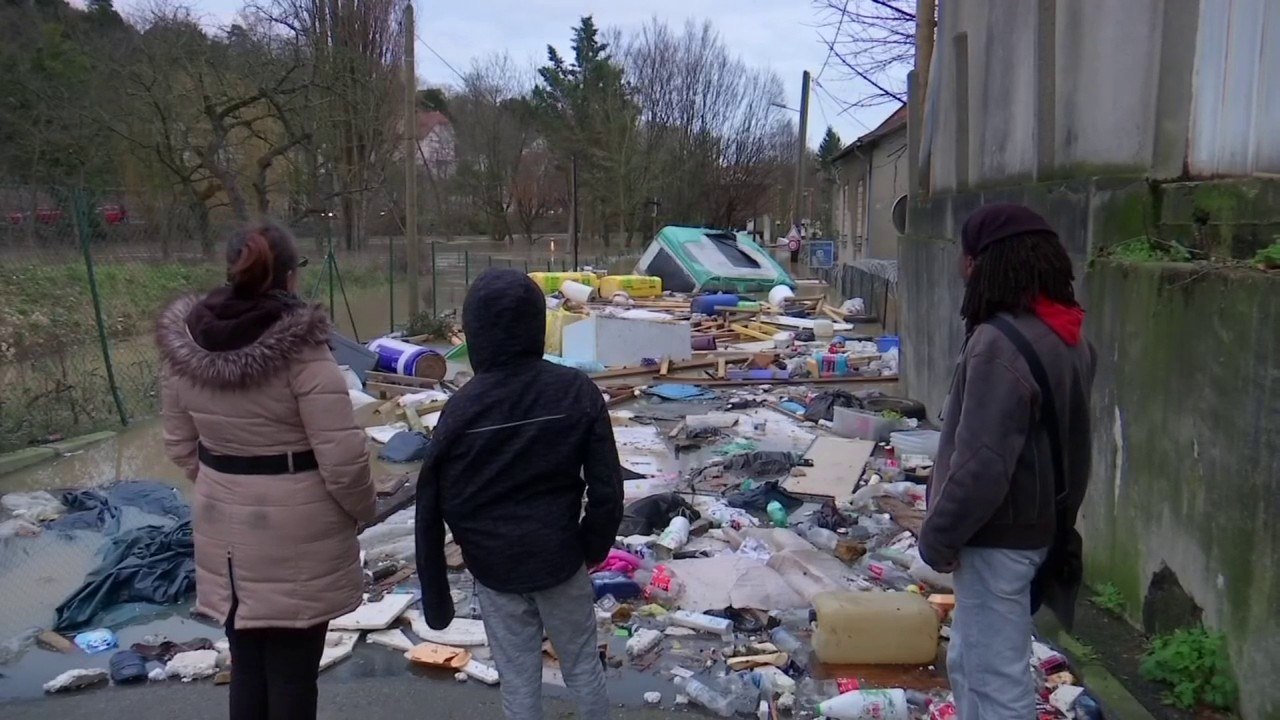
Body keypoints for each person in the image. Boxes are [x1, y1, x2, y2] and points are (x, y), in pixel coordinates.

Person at [157, 221, 375, 720]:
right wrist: (361, 510)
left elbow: (179, 445)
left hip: (224, 535)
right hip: (299, 535)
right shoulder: (303, 348)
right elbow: (343, 460)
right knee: (293, 674)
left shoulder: (185, 345)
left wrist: (225, 483)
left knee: (248, 664)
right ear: (289, 277)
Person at [415, 268, 623, 720]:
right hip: (561, 558)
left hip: (496, 570)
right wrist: (590, 546)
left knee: (519, 680)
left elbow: (441, 500)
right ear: (537, 326)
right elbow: (608, 487)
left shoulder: (462, 409)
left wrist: (469, 556)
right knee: (583, 666)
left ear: (475, 334)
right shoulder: (575, 391)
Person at [919, 203, 1096, 720]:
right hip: (1040, 527)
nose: (961, 267)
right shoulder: (1067, 334)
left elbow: (982, 465)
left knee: (997, 682)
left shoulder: (999, 343)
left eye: (965, 256)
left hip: (999, 537)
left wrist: (939, 537)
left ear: (985, 264)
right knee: (970, 661)